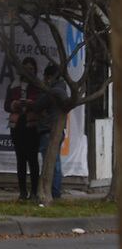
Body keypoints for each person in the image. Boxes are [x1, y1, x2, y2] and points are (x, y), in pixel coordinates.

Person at [3, 57, 42, 201]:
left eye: (31, 69)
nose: (28, 71)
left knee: (33, 160)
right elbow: (6, 106)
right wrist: (15, 104)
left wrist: (32, 104)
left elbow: (42, 104)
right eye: (26, 68)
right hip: (17, 126)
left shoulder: (39, 85)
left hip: (32, 126)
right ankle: (22, 192)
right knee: (20, 160)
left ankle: (34, 192)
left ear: (35, 70)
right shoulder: (13, 85)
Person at [32, 63, 71, 201]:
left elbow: (37, 106)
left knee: (51, 163)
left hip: (49, 129)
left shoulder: (53, 91)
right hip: (55, 129)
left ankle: (53, 191)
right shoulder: (61, 90)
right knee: (55, 162)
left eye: (45, 77)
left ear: (49, 77)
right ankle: (55, 191)